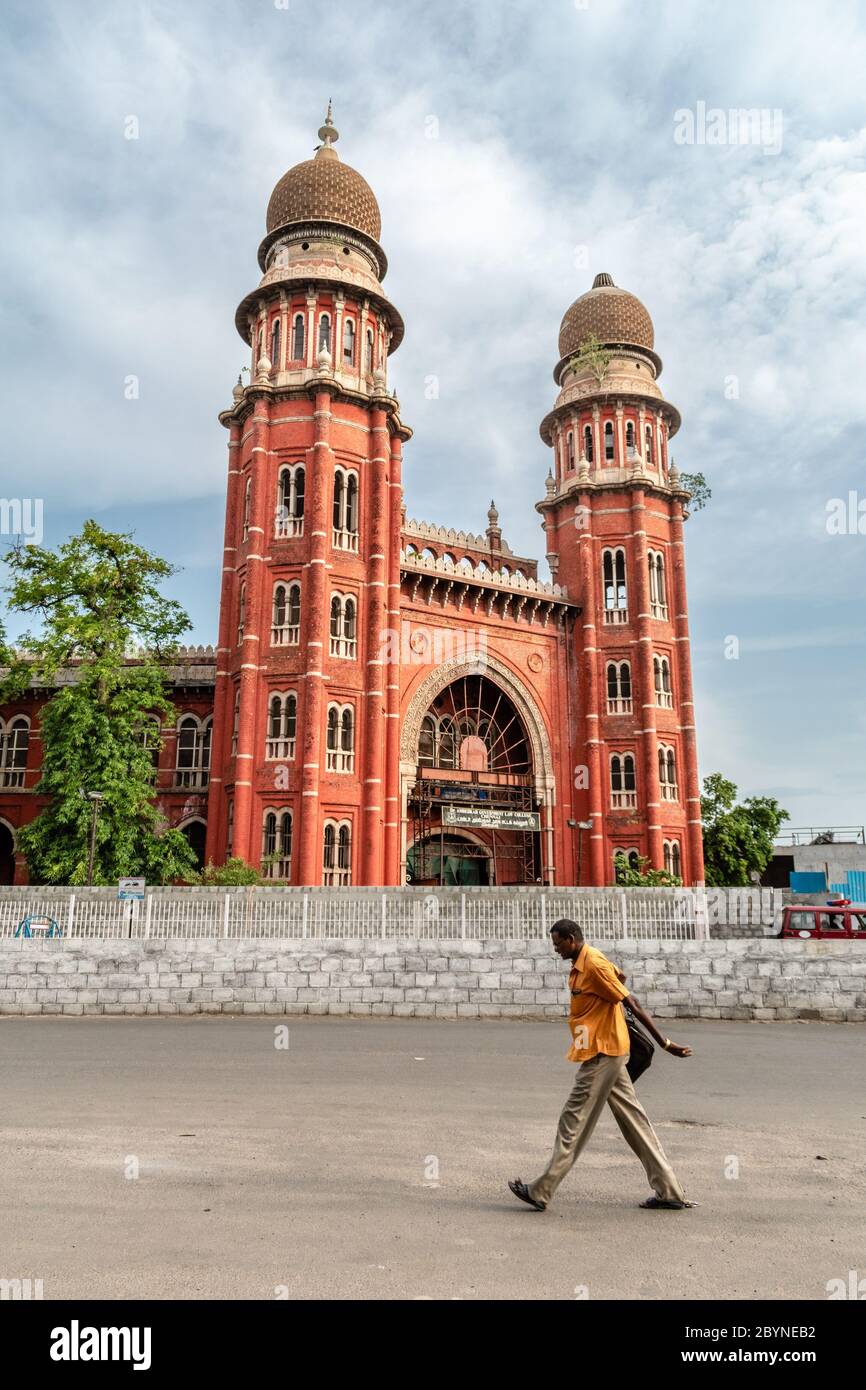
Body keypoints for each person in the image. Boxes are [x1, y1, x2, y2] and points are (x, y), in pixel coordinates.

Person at [508, 918, 696, 1212]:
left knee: (572, 1121)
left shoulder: (593, 964)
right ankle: (669, 1190)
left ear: (571, 939)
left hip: (603, 1054)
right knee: (635, 1123)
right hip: (607, 1051)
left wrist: (665, 1043)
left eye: (558, 943)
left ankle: (541, 1190)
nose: (555, 949)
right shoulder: (584, 964)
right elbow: (617, 981)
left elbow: (630, 1000)